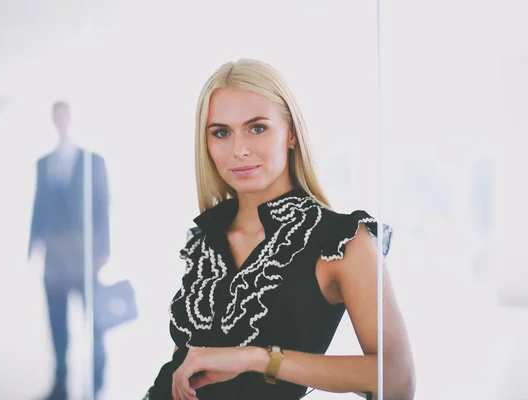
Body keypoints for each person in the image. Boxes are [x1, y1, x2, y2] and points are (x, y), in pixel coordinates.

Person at [143, 59, 415, 400]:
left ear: (291, 133)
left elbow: (398, 381)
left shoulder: (341, 240)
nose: (239, 149)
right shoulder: (204, 239)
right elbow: (183, 367)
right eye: (221, 132)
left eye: (257, 128)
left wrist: (257, 358)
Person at [29, 101, 111, 400]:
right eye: (56, 117)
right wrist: (33, 245)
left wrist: (104, 248)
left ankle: (97, 382)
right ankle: (60, 384)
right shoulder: (44, 162)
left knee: (95, 322)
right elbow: (38, 207)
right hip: (54, 258)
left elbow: (104, 204)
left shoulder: (92, 160)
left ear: (70, 119)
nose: (60, 121)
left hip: (85, 256)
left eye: (64, 116)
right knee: (57, 325)